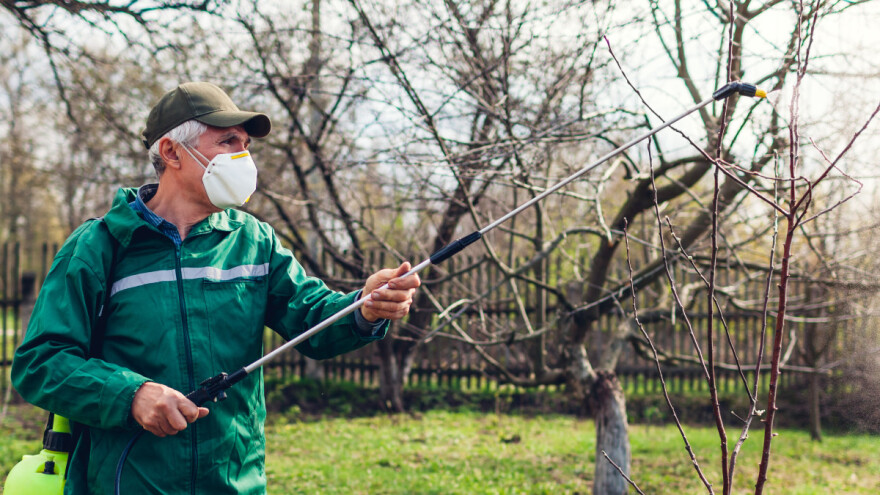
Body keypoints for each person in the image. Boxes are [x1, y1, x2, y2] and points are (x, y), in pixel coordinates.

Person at [11, 81, 420, 494]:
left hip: (234, 484)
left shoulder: (255, 240)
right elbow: (41, 362)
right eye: (227, 142)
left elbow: (313, 319)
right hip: (126, 484)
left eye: (245, 145)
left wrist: (366, 307)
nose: (242, 157)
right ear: (172, 152)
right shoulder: (98, 246)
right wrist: (130, 395)